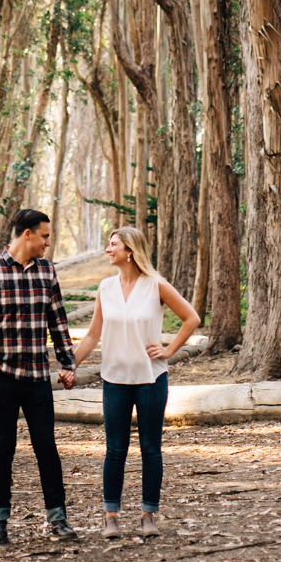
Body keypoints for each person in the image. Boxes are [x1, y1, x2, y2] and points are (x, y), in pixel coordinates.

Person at [0, 207, 80, 545]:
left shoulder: (47, 272)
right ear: (26, 234)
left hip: (38, 377)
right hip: (2, 378)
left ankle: (58, 519)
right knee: (3, 449)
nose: (47, 243)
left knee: (47, 448)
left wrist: (67, 363)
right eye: (44, 236)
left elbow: (58, 322)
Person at [72, 226, 200, 540]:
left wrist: (169, 350)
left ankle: (148, 515)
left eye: (112, 244)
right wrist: (69, 365)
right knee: (115, 450)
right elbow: (92, 335)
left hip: (151, 379)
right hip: (114, 379)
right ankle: (111, 517)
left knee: (150, 449)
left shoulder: (154, 285)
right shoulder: (106, 287)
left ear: (129, 251)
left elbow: (192, 318)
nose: (107, 249)